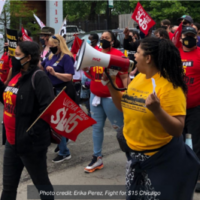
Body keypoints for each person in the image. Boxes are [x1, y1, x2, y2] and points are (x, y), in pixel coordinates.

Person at [103, 37, 200, 200]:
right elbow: (123, 107)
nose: (134, 56)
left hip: (160, 160)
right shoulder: (140, 77)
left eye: (138, 53)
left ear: (148, 58)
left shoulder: (170, 87)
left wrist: (157, 110)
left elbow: (177, 129)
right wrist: (111, 85)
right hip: (134, 157)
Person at [0, 41, 54, 200]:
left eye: (17, 55)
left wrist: (29, 134)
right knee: (8, 188)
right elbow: (7, 99)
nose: (13, 58)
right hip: (12, 141)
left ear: (28, 57)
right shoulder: (16, 74)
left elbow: (48, 110)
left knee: (41, 184)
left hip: (30, 144)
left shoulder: (39, 77)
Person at [83, 30, 129, 173]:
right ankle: (97, 157)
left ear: (112, 41)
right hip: (95, 97)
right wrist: (86, 69)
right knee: (96, 128)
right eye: (102, 37)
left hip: (112, 98)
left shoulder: (117, 55)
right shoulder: (95, 53)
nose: (103, 39)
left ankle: (132, 158)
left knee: (120, 128)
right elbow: (93, 74)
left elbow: (124, 77)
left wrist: (127, 93)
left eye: (106, 38)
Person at [40, 34, 76, 163]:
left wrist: (55, 73)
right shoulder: (50, 56)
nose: (50, 47)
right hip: (52, 90)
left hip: (63, 90)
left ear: (59, 44)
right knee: (56, 121)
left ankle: (64, 152)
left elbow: (69, 77)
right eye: (49, 45)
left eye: (52, 45)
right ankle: (63, 142)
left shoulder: (67, 57)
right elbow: (41, 66)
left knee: (58, 121)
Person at [178, 26, 200, 192]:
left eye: (192, 36)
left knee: (195, 143)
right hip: (176, 108)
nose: (189, 39)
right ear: (181, 37)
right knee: (178, 143)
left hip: (195, 108)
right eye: (186, 36)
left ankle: (197, 176)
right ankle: (181, 173)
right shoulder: (174, 54)